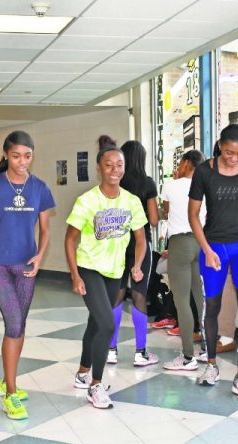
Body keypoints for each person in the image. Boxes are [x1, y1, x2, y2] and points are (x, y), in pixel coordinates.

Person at [0, 130, 55, 421]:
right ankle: (10, 393)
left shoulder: (40, 188)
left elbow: (45, 229)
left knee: (19, 326)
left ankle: (9, 380)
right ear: (6, 155)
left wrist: (39, 255)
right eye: (17, 155)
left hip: (26, 266)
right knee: (13, 324)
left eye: (28, 156)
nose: (23, 161)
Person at [65, 135, 148, 409]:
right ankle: (96, 385)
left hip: (116, 271)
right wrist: (75, 275)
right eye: (109, 165)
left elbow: (140, 240)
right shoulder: (87, 201)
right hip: (89, 268)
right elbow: (69, 239)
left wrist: (137, 265)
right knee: (108, 324)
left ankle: (82, 371)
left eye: (119, 165)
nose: (115, 170)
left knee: (95, 323)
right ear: (99, 168)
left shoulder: (132, 201)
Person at [188, 124, 238, 400]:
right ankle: (212, 365)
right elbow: (193, 214)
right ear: (219, 145)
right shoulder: (204, 171)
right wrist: (206, 249)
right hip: (214, 247)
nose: (234, 158)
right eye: (229, 152)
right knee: (212, 306)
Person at [106, 140, 159, 367]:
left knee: (116, 295)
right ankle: (140, 352)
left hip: (117, 245)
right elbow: (154, 220)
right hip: (140, 245)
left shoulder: (117, 183)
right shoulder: (147, 183)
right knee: (139, 295)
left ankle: (110, 350)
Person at [161, 150, 208, 371]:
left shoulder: (171, 186)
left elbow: (165, 212)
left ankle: (188, 357)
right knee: (200, 297)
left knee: (181, 300)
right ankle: (208, 348)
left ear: (187, 163)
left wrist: (176, 179)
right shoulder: (205, 186)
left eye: (180, 162)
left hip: (180, 244)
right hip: (201, 242)